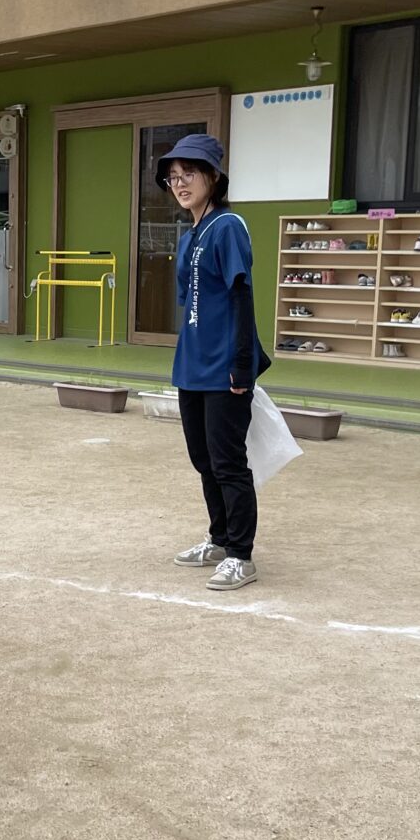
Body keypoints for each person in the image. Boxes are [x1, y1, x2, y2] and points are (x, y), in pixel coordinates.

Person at [160, 133, 270, 593]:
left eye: (189, 173)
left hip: (224, 366)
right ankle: (220, 538)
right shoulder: (191, 236)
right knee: (203, 459)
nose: (180, 184)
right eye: (173, 177)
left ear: (213, 176)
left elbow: (242, 295)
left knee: (228, 462)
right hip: (192, 365)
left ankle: (241, 555)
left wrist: (242, 363)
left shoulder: (228, 226)